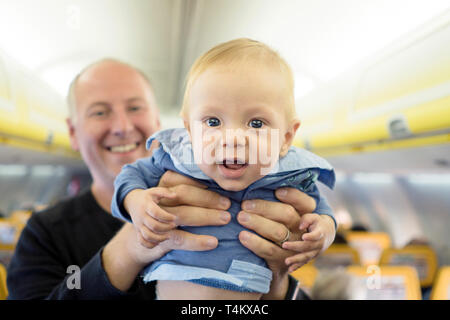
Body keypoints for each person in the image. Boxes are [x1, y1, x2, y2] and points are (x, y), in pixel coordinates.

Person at [6, 58, 335, 300]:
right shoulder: (44, 234)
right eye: (99, 112)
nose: (121, 126)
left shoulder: (277, 179)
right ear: (73, 133)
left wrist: (278, 277)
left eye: (135, 108)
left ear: (158, 120)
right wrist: (129, 248)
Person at [111, 39, 336, 299]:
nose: (233, 138)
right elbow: (131, 176)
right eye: (213, 121)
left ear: (286, 137)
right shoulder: (177, 159)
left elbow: (320, 211)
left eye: (256, 123)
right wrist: (135, 201)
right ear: (190, 131)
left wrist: (325, 231)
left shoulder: (291, 175)